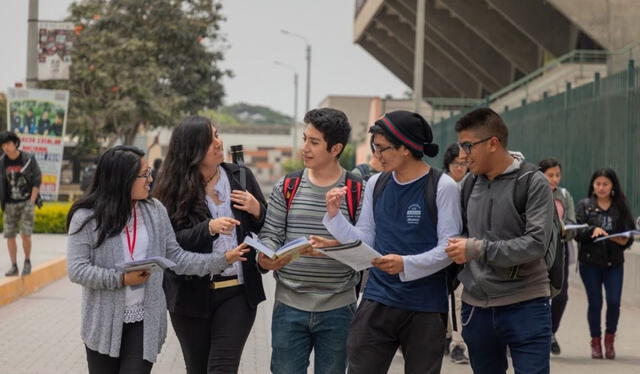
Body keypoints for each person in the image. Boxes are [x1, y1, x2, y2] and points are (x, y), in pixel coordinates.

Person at [66, 145, 249, 374]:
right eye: (143, 175)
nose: (150, 179)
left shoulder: (155, 211)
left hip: (145, 320)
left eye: (149, 172)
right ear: (121, 179)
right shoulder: (86, 218)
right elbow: (77, 269)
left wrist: (222, 259)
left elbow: (176, 258)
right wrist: (121, 279)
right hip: (102, 323)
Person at [324, 110, 462, 374]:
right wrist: (334, 216)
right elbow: (365, 238)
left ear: (406, 148)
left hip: (425, 307)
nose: (376, 155)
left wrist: (405, 264)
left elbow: (449, 248)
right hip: (378, 299)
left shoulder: (442, 186)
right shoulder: (376, 183)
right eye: (375, 148)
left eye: (382, 148)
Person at [153, 116, 267, 374]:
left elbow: (267, 227)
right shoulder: (172, 187)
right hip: (190, 294)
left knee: (222, 368)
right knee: (197, 369)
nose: (219, 143)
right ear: (192, 148)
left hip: (237, 292)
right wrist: (207, 229)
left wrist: (258, 209)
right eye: (210, 139)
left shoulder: (240, 176)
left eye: (217, 135)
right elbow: (170, 244)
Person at [445, 108, 555, 374]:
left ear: (493, 143)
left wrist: (476, 249)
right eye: (461, 146)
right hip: (477, 308)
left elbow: (536, 243)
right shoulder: (468, 185)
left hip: (525, 304)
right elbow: (458, 233)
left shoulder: (532, 182)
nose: (463, 154)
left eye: (469, 145)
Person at [258, 108, 364, 374]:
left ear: (335, 148)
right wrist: (267, 254)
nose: (305, 148)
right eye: (305, 139)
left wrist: (331, 251)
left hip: (339, 308)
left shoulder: (356, 189)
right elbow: (271, 232)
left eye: (314, 142)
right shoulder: (288, 185)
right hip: (289, 306)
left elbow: (365, 247)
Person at [574, 168, 635, 360]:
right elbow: (577, 232)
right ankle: (595, 342)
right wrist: (592, 231)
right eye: (598, 184)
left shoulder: (620, 206)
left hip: (614, 263)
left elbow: (629, 234)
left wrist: (622, 240)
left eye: (605, 184)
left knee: (614, 302)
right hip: (590, 262)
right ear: (593, 185)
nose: (601, 188)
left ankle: (609, 340)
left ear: (612, 186)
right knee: (595, 302)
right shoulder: (585, 206)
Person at [539, 158, 576, 356]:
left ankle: (551, 332)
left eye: (557, 175)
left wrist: (564, 229)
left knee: (561, 295)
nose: (554, 179)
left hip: (560, 248)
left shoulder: (564, 195)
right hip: (538, 251)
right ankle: (537, 334)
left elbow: (571, 221)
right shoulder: (534, 192)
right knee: (537, 294)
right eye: (550, 175)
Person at [441, 143, 469, 364]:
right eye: (455, 163)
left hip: (465, 250)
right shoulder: (440, 185)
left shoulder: (474, 185)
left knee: (459, 298)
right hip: (441, 250)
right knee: (444, 296)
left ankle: (458, 344)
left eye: (463, 163)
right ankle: (447, 335)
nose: (460, 167)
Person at [0, 131, 41, 276]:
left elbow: (37, 179)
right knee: (9, 235)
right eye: (3, 144)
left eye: (8, 144)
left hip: (26, 202)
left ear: (16, 143)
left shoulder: (28, 159)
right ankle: (14, 265)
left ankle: (27, 261)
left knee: (25, 234)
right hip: (9, 204)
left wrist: (31, 201)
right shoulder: (2, 162)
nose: (5, 147)